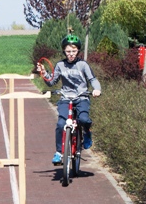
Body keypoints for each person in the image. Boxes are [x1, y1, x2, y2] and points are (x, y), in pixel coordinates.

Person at [37, 34, 101, 165]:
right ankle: (59, 152)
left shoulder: (83, 65)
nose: (71, 54)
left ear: (78, 51)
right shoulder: (60, 65)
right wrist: (44, 73)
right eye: (68, 51)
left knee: (83, 119)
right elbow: (51, 82)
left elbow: (93, 80)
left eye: (73, 51)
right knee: (61, 124)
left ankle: (87, 132)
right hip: (66, 98)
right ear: (64, 51)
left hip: (81, 97)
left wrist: (96, 89)